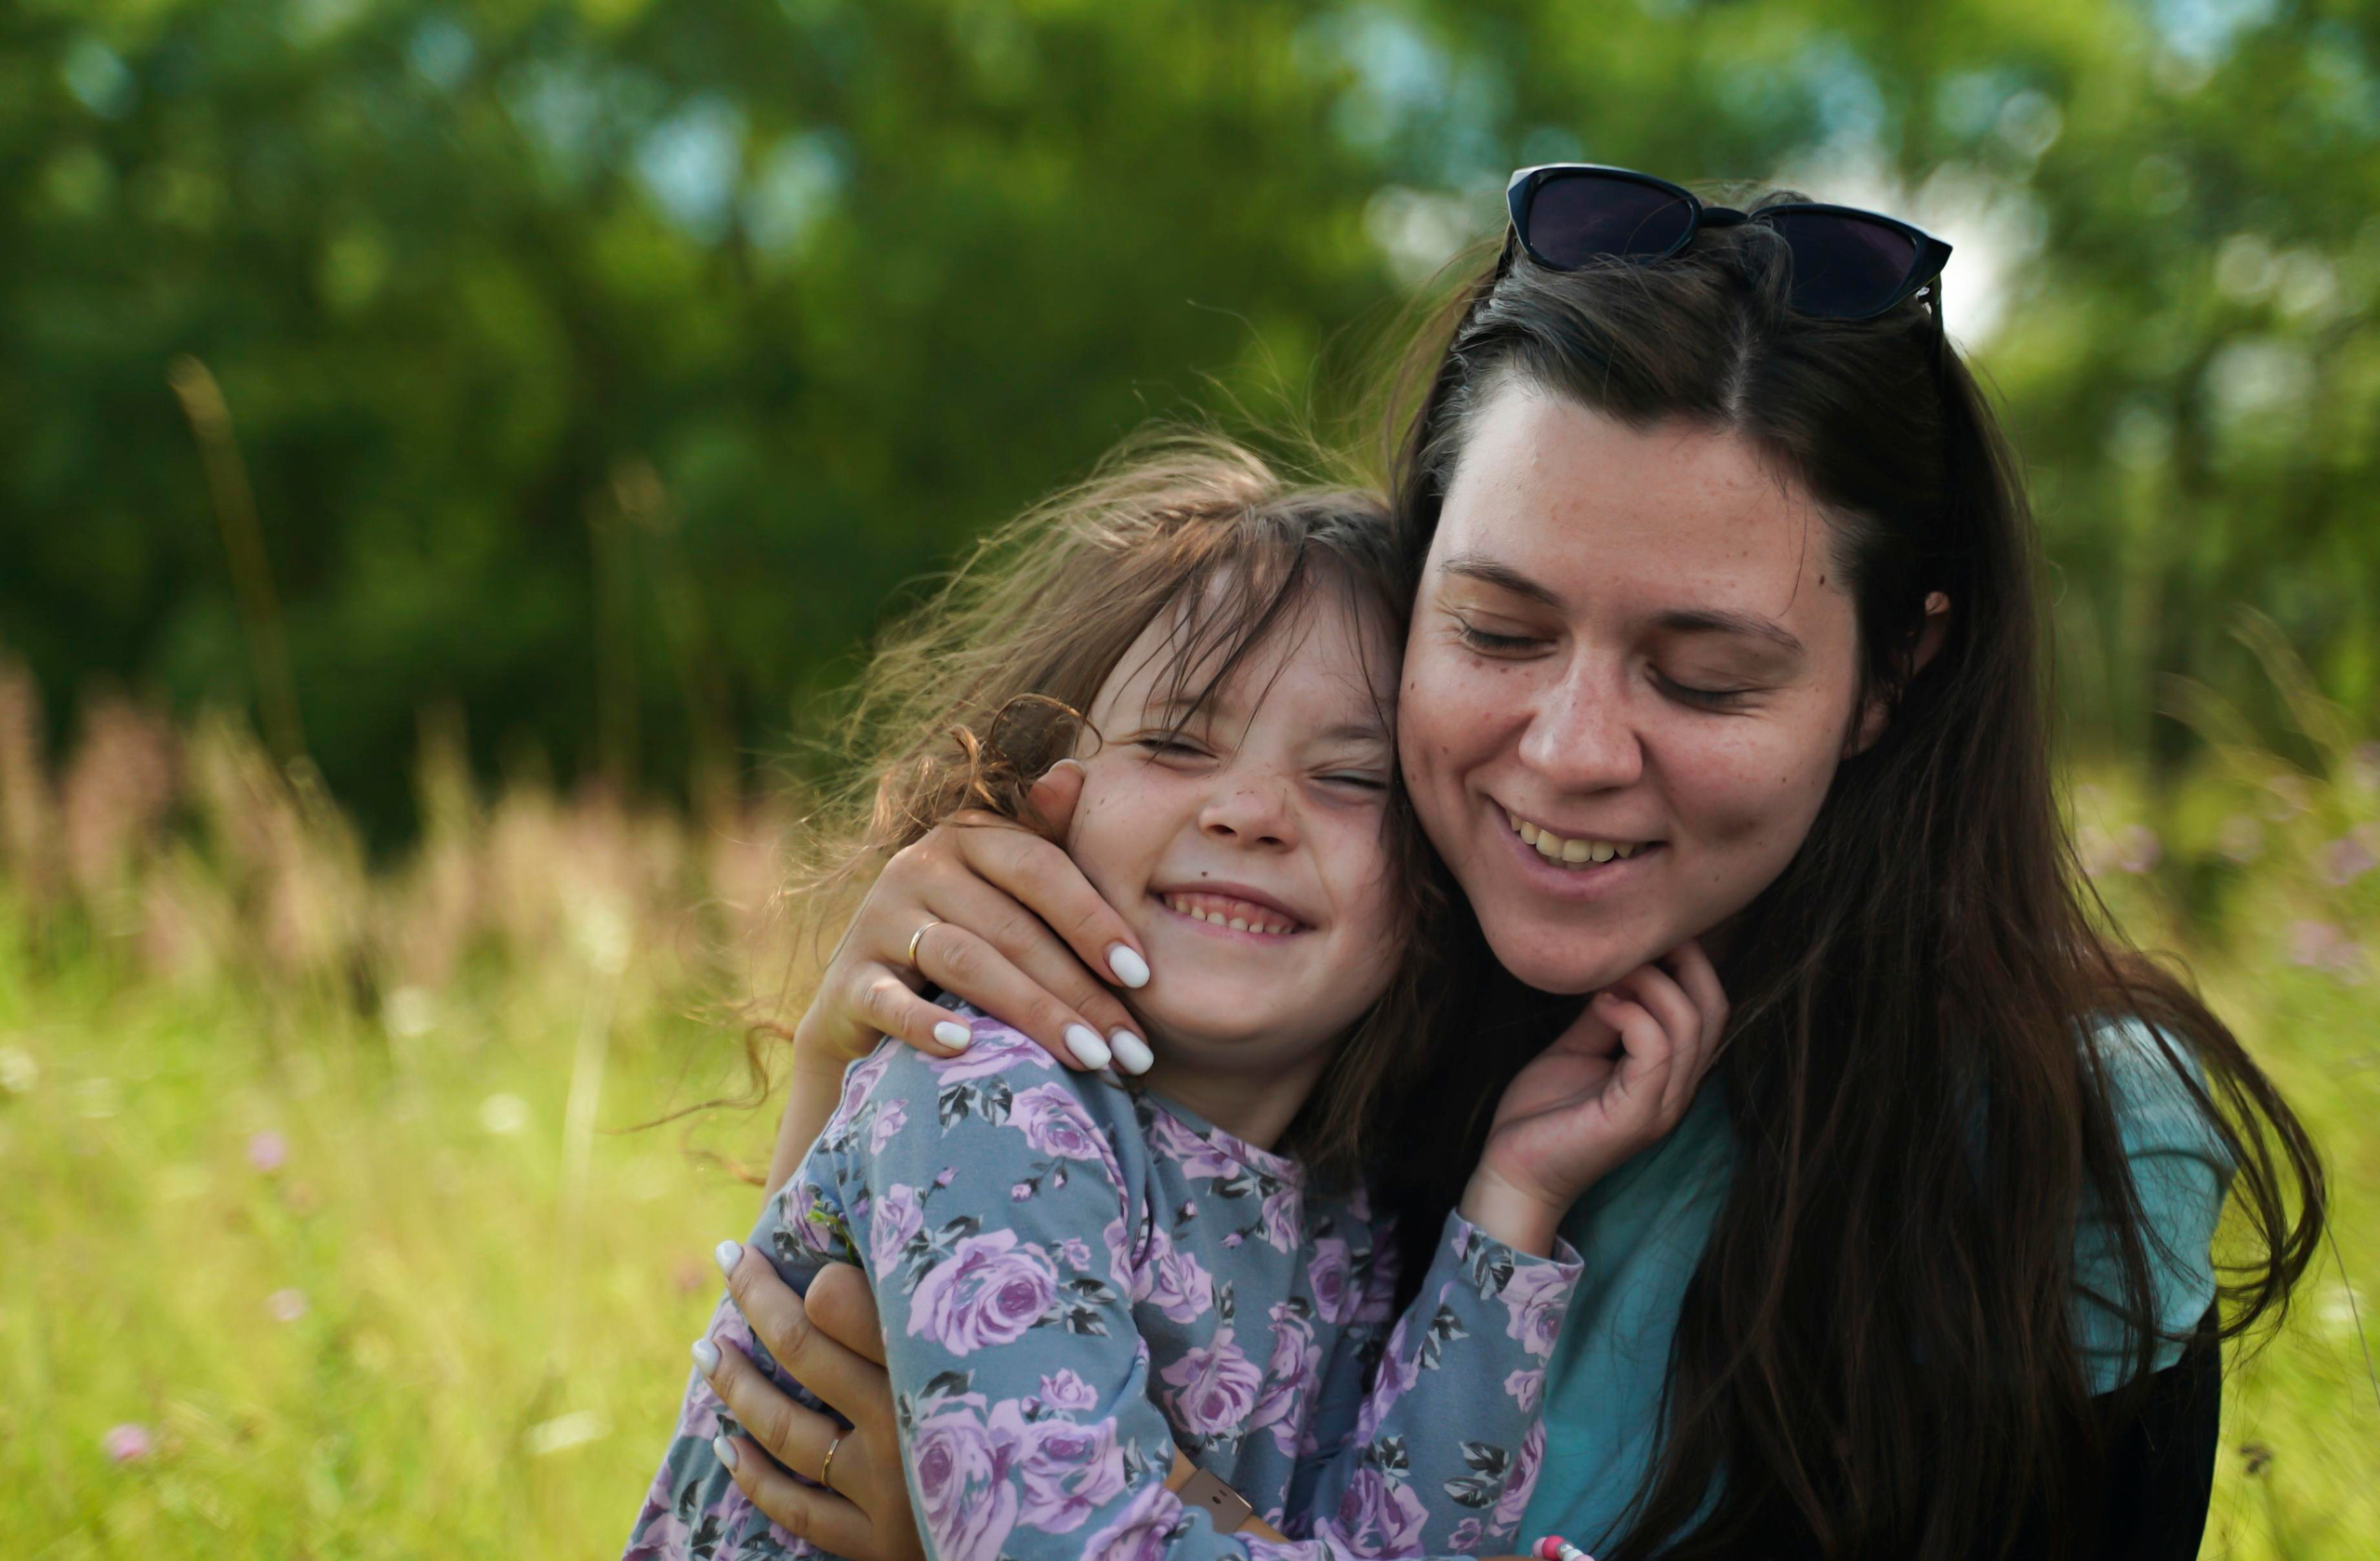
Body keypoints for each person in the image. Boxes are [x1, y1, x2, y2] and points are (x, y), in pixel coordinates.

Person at [686, 168, 2326, 1561]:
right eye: (1498, 626)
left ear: (1892, 676)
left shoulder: (2042, 1152)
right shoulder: (1323, 1025)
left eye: (1705, 673)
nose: (1568, 747)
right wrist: (842, 1086)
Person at [625, 450, 1729, 1559]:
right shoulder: (980, 1092)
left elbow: (1416, 1543)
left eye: (1352, 777)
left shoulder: (1342, 1217)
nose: (1250, 809)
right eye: (1173, 742)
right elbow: (1068, 1538)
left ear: (1434, 892)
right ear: (1043, 801)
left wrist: (1513, 1199)